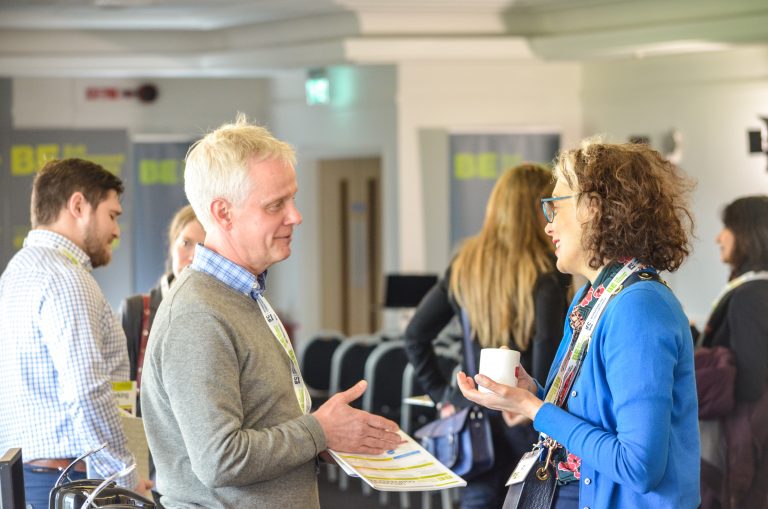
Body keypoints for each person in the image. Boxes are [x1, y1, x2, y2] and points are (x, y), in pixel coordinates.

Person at [140, 115, 403, 509]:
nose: (295, 216)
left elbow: (263, 424)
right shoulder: (197, 315)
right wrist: (318, 431)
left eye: (292, 199)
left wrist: (329, 439)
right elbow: (220, 459)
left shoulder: (242, 294)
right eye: (275, 205)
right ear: (223, 213)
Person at [456, 140, 700, 508]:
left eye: (555, 205)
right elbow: (591, 421)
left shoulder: (638, 307)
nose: (548, 223)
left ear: (594, 208)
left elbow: (638, 466)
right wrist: (532, 393)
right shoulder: (592, 296)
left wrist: (535, 410)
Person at [404, 164, 571, 508]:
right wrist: (533, 405)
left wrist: (444, 396)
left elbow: (416, 335)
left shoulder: (465, 265)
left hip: (473, 414)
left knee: (478, 499)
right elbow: (545, 349)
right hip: (523, 417)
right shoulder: (545, 270)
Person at [0, 158, 149, 508]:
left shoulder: (15, 273)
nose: (116, 231)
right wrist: (124, 481)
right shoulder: (66, 278)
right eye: (112, 215)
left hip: (28, 482)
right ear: (78, 205)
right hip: (70, 483)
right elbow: (87, 390)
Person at [698, 195, 768, 509]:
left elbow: (750, 383)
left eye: (727, 227)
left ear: (748, 233)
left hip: (743, 450)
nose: (718, 237)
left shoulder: (749, 296)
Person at [119, 204, 206, 396]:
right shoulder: (137, 310)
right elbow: (122, 395)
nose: (193, 256)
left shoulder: (224, 311)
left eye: (204, 247)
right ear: (172, 246)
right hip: (143, 426)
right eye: (186, 243)